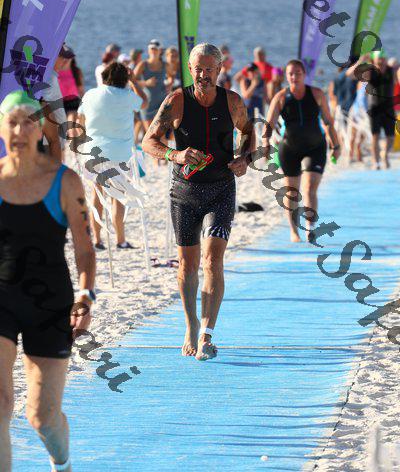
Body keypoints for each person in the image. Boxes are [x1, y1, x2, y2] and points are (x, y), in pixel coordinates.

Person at [0, 90, 95, 472]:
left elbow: (85, 249)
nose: (19, 131)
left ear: (41, 129)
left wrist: (85, 295)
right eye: (11, 122)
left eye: (28, 122)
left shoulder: (65, 181)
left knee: (42, 417)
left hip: (50, 303)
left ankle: (62, 463)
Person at [142, 43, 255, 361]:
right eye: (198, 69)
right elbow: (148, 141)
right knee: (188, 265)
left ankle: (207, 333)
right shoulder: (176, 101)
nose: (203, 75)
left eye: (209, 69)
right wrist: (175, 154)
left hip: (221, 189)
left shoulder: (232, 101)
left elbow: (248, 132)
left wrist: (244, 158)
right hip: (184, 193)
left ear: (219, 70)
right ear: (190, 69)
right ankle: (191, 325)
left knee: (212, 259)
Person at [265, 60, 340, 242]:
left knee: (309, 187)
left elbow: (328, 122)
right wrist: (266, 143)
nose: (294, 77)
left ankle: (310, 227)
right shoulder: (281, 97)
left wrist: (336, 145)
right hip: (290, 149)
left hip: (315, 147)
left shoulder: (317, 94)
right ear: (286, 76)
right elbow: (269, 124)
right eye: (290, 74)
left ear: (304, 75)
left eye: (298, 73)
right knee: (292, 192)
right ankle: (293, 231)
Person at [78, 62, 147, 249]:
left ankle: (97, 240)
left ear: (104, 76)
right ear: (124, 79)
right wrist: (134, 81)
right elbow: (144, 103)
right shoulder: (127, 96)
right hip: (119, 153)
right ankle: (120, 240)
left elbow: (80, 120)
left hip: (93, 151)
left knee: (97, 195)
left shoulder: (90, 94)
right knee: (118, 196)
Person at [347, 52, 396, 169]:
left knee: (391, 137)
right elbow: (350, 75)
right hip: (374, 108)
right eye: (379, 59)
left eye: (383, 59)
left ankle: (385, 155)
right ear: (374, 61)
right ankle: (376, 162)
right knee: (375, 136)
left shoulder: (391, 70)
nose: (381, 61)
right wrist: (360, 61)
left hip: (388, 108)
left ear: (386, 60)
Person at [40, 44, 74, 161]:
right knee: (54, 167)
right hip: (51, 139)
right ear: (53, 57)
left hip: (54, 138)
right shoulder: (49, 78)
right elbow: (44, 106)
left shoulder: (51, 76)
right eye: (62, 56)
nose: (65, 60)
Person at [133, 39, 167, 130]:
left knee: (162, 134)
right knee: (150, 133)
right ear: (148, 50)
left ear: (160, 51)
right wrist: (146, 83)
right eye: (152, 49)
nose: (153, 51)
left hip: (162, 104)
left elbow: (172, 75)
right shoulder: (143, 64)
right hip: (147, 105)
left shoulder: (165, 65)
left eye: (156, 49)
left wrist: (170, 85)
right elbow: (131, 81)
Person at [57, 47, 85, 129]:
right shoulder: (55, 72)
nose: (65, 59)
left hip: (74, 102)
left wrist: (86, 104)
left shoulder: (76, 71)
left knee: (73, 121)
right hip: (60, 103)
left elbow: (81, 91)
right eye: (63, 56)